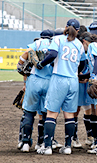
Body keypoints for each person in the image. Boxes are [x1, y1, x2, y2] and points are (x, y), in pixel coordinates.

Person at [36, 19, 87, 155]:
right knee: (69, 114)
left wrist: (41, 64)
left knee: (52, 113)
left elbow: (52, 55)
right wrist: (76, 71)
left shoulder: (58, 39)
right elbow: (83, 63)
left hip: (59, 78)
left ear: (65, 27)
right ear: (77, 31)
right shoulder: (79, 44)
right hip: (73, 81)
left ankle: (47, 147)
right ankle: (68, 146)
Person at [16, 29, 55, 152]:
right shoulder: (54, 44)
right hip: (49, 82)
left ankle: (26, 143)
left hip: (34, 81)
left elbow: (26, 53)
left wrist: (19, 66)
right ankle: (41, 143)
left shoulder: (37, 44)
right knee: (45, 114)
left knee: (29, 112)